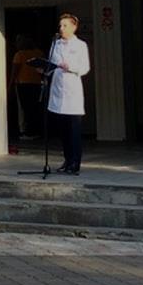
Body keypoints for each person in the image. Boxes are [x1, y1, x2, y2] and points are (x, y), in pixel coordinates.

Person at [47, 13, 91, 174]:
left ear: (74, 27)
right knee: (63, 131)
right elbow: (52, 63)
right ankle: (67, 160)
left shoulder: (80, 45)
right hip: (58, 90)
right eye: (60, 25)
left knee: (74, 131)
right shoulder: (55, 44)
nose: (61, 28)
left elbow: (85, 68)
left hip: (72, 91)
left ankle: (75, 163)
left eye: (65, 25)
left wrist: (70, 67)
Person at [9, 34, 44, 140]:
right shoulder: (39, 53)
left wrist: (10, 85)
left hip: (23, 84)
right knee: (34, 107)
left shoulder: (19, 54)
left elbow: (14, 72)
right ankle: (35, 131)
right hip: (37, 83)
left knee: (24, 108)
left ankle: (26, 132)